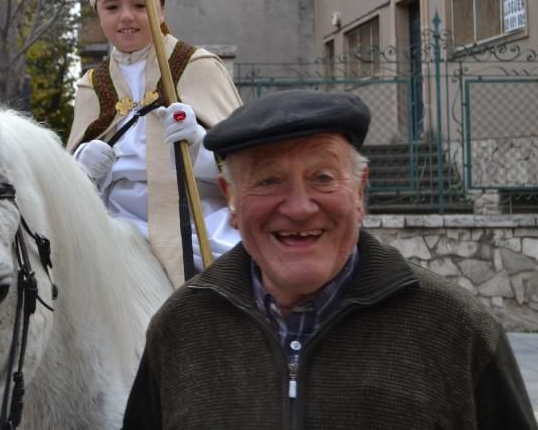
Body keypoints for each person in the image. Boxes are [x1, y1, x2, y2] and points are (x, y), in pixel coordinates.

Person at [122, 90, 537, 429]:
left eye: (322, 178)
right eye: (269, 181)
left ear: (359, 191)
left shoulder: (455, 330)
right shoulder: (180, 329)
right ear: (231, 199)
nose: (300, 208)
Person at [66, 0, 243, 287]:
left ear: (161, 7)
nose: (126, 17)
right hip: (116, 239)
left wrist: (201, 149)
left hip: (198, 233)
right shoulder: (91, 86)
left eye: (141, 4)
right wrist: (82, 170)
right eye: (112, 7)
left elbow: (247, 166)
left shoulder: (195, 66)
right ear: (98, 11)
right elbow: (70, 197)